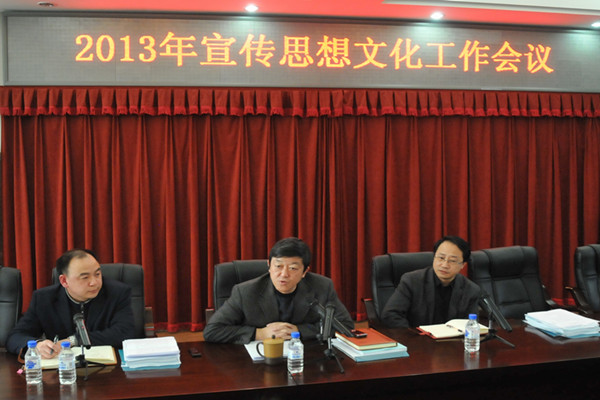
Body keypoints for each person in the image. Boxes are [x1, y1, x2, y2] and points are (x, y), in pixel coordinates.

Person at [203, 237, 354, 344]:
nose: (284, 274)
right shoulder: (245, 292)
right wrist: (259, 333)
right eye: (278, 266)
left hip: (306, 360)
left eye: (293, 268)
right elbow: (212, 331)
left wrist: (298, 331)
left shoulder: (322, 286)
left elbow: (345, 326)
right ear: (269, 265)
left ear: (305, 272)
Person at [6, 249, 136, 358]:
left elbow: (126, 332)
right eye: (85, 277)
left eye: (97, 274)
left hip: (109, 369)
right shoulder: (44, 299)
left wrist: (74, 340)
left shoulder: (117, 293)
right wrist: (38, 345)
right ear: (64, 281)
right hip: (63, 371)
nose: (94, 282)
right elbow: (15, 337)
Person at [381, 236, 481, 328]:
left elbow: (471, 324)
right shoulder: (412, 281)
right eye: (441, 258)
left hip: (453, 340)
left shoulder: (471, 289)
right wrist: (414, 336)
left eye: (452, 261)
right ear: (434, 257)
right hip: (417, 338)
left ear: (463, 265)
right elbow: (391, 315)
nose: (444, 265)